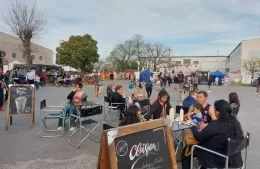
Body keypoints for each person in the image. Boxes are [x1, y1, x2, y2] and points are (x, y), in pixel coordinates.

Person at [182, 100, 244, 169]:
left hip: (216, 159)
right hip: (234, 159)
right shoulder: (235, 123)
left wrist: (193, 126)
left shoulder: (216, 124)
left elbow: (198, 137)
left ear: (218, 111)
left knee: (188, 149)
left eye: (214, 109)